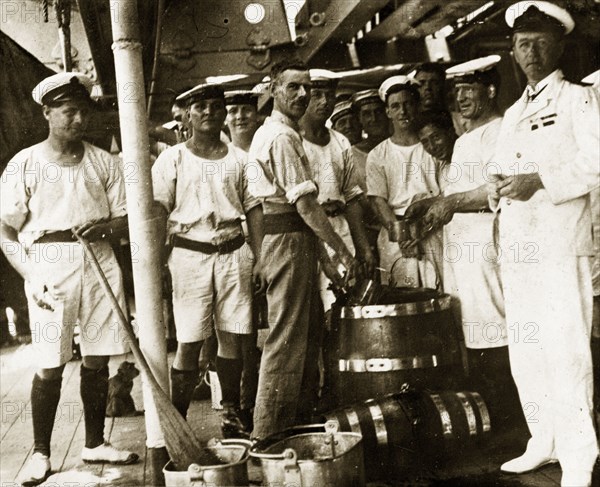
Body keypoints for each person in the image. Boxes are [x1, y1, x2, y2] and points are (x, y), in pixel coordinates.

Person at [0, 72, 139, 486]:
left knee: (98, 356)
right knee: (50, 363)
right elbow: (5, 231)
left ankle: (95, 441)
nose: (79, 119)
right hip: (48, 263)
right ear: (47, 113)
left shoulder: (103, 161)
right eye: (68, 111)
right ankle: (41, 453)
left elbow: (125, 217)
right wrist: (31, 275)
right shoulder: (24, 163)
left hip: (98, 261)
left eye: (83, 110)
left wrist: (105, 231)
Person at [491, 3, 599, 485]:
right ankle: (544, 441)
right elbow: (495, 172)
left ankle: (580, 455)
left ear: (558, 45)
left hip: (558, 245)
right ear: (512, 52)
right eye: (521, 44)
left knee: (566, 349)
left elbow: (596, 164)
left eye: (537, 42)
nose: (529, 51)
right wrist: (495, 184)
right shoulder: (514, 112)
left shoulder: (580, 100)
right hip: (519, 248)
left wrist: (541, 180)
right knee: (528, 350)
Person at [408, 56, 523, 429]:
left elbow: (496, 188)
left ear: (490, 90)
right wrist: (432, 202)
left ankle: (511, 422)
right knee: (472, 327)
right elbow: (458, 189)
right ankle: (493, 416)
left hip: (486, 240)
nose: (462, 98)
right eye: (458, 91)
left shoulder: (502, 130)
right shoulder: (468, 137)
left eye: (470, 89)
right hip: (463, 245)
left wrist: (452, 202)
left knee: (494, 326)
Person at [247, 59, 359, 439]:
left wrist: (325, 257)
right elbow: (306, 206)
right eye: (292, 86)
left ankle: (292, 422)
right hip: (287, 238)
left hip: (297, 238)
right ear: (274, 90)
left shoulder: (285, 133)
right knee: (287, 337)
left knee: (306, 333)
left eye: (306, 86)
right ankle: (266, 433)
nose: (302, 94)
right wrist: (341, 250)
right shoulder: (280, 137)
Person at [152, 82, 262, 439]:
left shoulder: (240, 159)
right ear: (187, 114)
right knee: (189, 341)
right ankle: (179, 422)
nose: (210, 113)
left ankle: (230, 412)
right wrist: (155, 263)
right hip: (189, 254)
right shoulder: (173, 159)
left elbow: (254, 209)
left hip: (233, 251)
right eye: (201, 107)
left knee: (232, 336)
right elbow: (157, 212)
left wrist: (259, 257)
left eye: (216, 107)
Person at [300, 69, 375, 309]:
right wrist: (325, 256)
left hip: (341, 228)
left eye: (329, 95)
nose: (324, 102)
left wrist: (363, 248)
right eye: (317, 95)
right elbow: (303, 207)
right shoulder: (293, 141)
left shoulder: (340, 141)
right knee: (315, 309)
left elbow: (352, 198)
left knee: (348, 305)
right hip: (310, 233)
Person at [367, 76, 443, 289]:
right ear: (388, 112)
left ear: (417, 106)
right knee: (403, 299)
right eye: (395, 106)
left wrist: (423, 229)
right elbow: (378, 201)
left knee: (441, 293)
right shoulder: (378, 155)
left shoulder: (433, 145)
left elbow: (446, 192)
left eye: (408, 104)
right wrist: (402, 237)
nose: (403, 112)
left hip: (432, 230)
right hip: (396, 238)